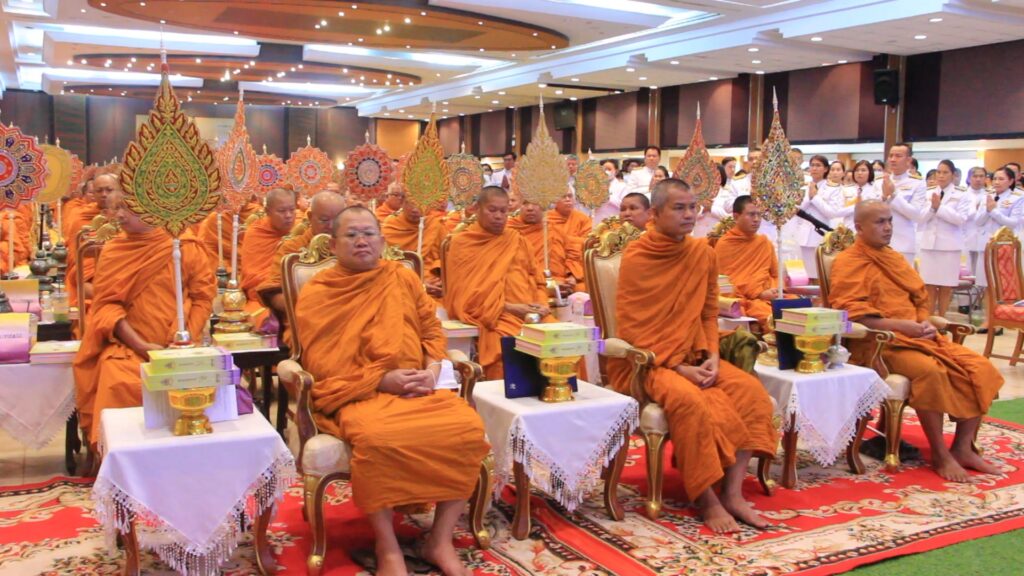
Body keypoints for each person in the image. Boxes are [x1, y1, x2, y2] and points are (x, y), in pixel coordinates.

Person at [294, 206, 488, 576]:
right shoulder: (320, 290)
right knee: (378, 438)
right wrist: (382, 380)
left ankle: (439, 540)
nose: (361, 241)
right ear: (333, 244)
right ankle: (388, 547)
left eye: (368, 233)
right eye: (351, 235)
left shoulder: (401, 277)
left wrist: (432, 370)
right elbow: (322, 363)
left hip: (416, 387)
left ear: (382, 241)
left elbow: (431, 329)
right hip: (358, 393)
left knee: (467, 429)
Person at [608, 178, 776, 532]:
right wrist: (678, 368)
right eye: (679, 208)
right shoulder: (639, 255)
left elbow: (708, 312)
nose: (689, 215)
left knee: (752, 393)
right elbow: (633, 328)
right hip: (649, 362)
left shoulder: (703, 252)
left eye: (692, 207)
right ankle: (706, 498)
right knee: (690, 401)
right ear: (655, 214)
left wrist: (712, 354)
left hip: (695, 353)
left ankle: (732, 493)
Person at [829, 200, 1004, 482]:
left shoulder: (894, 258)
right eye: (880, 222)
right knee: (930, 371)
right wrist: (901, 326)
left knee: (981, 367)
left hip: (917, 335)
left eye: (890, 221)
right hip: (879, 343)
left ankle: (962, 447)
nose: (888, 228)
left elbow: (919, 297)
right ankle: (940, 454)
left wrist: (924, 322)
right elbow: (851, 313)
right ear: (859, 228)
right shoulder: (848, 261)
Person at [72, 190, 216, 449]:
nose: (119, 215)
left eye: (127, 208)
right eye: (116, 208)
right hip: (129, 347)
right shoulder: (115, 250)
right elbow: (107, 307)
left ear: (153, 208)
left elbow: (202, 298)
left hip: (179, 345)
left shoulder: (184, 246)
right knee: (117, 380)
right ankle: (120, 460)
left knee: (206, 385)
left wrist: (184, 340)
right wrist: (141, 346)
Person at [444, 186, 551, 379]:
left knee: (563, 343)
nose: (499, 216)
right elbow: (465, 297)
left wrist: (542, 305)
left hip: (532, 313)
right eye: (492, 210)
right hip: (497, 316)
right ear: (477, 209)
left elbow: (538, 280)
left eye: (503, 211)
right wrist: (511, 308)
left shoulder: (517, 240)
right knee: (507, 345)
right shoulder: (463, 243)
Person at [257, 191, 346, 341]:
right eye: (324, 220)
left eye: (337, 220)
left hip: (350, 319)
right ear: (310, 217)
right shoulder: (292, 249)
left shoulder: (351, 246)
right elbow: (273, 292)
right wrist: (310, 305)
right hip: (307, 322)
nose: (331, 226)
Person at [917, 159, 972, 318]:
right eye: (938, 172)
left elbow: (960, 219)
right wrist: (932, 208)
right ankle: (929, 318)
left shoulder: (961, 194)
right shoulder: (928, 192)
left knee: (946, 286)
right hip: (929, 244)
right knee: (929, 284)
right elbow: (920, 218)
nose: (941, 176)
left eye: (945, 172)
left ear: (953, 175)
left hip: (949, 246)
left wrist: (940, 207)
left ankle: (942, 318)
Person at [714, 195, 778, 331]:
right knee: (766, 314)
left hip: (768, 295)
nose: (756, 219)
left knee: (797, 307)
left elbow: (775, 275)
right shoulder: (725, 244)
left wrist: (775, 290)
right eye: (751, 214)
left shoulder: (764, 242)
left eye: (759, 215)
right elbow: (725, 283)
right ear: (736, 217)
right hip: (745, 299)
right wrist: (759, 293)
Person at [973, 166, 1023, 332]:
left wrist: (994, 211)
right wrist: (987, 210)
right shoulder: (987, 196)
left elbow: (1013, 222)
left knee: (1000, 286)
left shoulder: (1017, 198)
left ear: (1011, 181)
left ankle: (1001, 320)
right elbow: (978, 221)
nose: (997, 182)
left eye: (1001, 179)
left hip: (1004, 248)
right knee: (987, 284)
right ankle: (989, 319)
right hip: (986, 245)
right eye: (994, 178)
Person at [240, 188, 296, 328]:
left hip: (297, 292)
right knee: (264, 321)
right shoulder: (256, 233)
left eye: (292, 210)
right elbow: (253, 277)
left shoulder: (302, 231)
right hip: (264, 297)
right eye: (282, 211)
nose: (289, 215)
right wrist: (276, 287)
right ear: (268, 211)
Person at [381, 197, 447, 299]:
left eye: (420, 204)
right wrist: (420, 284)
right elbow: (385, 265)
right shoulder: (390, 227)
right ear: (402, 203)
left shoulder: (435, 226)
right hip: (399, 284)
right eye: (410, 203)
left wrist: (439, 277)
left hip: (433, 284)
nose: (415, 209)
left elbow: (447, 258)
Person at [794, 155, 844, 279]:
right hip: (802, 234)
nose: (814, 168)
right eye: (812, 165)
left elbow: (832, 213)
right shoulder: (803, 187)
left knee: (818, 273)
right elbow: (795, 209)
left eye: (818, 165)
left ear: (826, 169)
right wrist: (809, 197)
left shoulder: (833, 188)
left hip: (820, 234)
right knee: (803, 274)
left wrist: (815, 198)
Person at [879, 143, 928, 266]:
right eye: (891, 156)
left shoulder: (917, 183)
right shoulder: (879, 181)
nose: (893, 159)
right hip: (879, 242)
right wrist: (884, 197)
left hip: (903, 243)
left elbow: (916, 215)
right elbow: (871, 210)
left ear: (908, 160)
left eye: (898, 156)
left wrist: (893, 195)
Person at [507, 199, 571, 292]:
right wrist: (544, 283)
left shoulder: (553, 230)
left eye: (535, 203)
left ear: (544, 207)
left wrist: (571, 276)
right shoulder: (508, 230)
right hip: (523, 281)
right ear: (519, 206)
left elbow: (572, 255)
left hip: (557, 280)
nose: (530, 208)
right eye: (525, 203)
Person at [547, 190, 592, 290]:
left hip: (578, 275)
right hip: (551, 275)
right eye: (563, 196)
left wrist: (574, 275)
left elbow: (586, 248)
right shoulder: (546, 220)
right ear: (554, 200)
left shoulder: (583, 219)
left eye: (570, 196)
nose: (568, 199)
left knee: (586, 289)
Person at [964, 166, 990, 275]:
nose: (978, 179)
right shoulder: (962, 194)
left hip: (984, 237)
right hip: (966, 235)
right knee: (967, 270)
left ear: (985, 178)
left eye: (981, 176)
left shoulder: (990, 194)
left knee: (983, 271)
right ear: (969, 178)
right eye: (975, 176)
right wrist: (975, 208)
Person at [838, 160, 879, 229]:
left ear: (870, 173)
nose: (859, 173)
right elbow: (839, 211)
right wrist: (857, 206)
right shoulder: (846, 190)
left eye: (863, 170)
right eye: (857, 170)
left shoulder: (876, 190)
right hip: (849, 228)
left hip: (868, 228)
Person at [593, 159, 629, 223]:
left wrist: (607, 196)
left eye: (609, 169)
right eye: (604, 170)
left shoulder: (622, 186)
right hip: (598, 219)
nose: (606, 172)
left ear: (616, 171)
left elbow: (624, 205)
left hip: (615, 220)